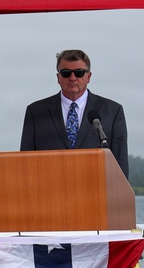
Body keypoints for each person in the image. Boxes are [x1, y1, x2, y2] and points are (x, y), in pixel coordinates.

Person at [20, 49, 129, 177]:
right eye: (66, 73)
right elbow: (25, 165)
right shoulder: (35, 112)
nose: (72, 78)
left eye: (79, 73)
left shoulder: (113, 111)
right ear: (58, 77)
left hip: (95, 193)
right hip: (49, 193)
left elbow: (120, 166)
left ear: (89, 76)